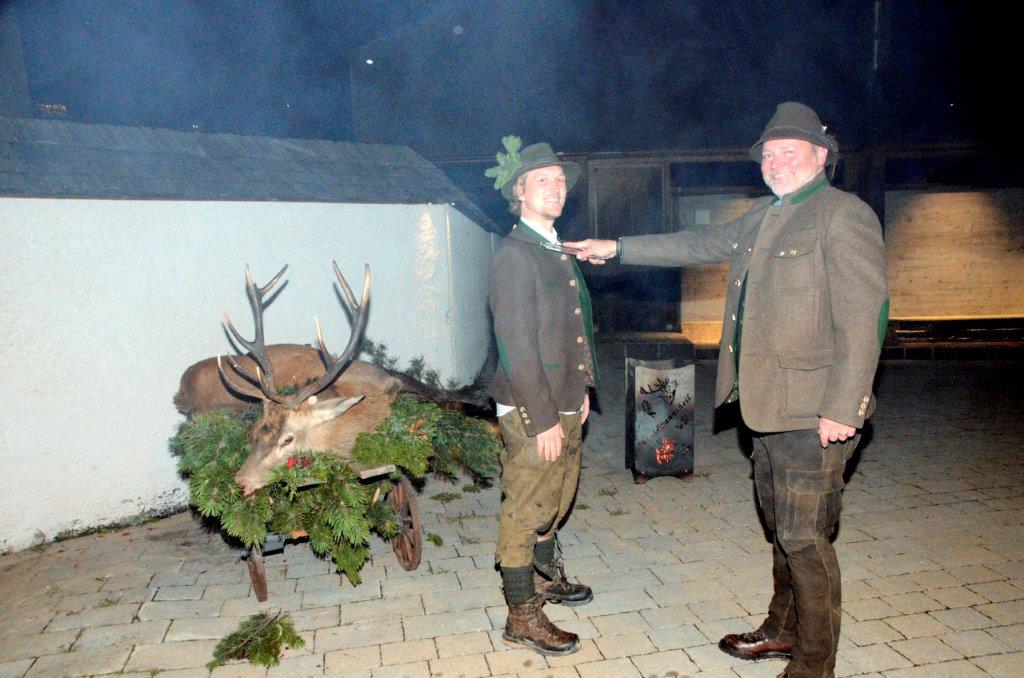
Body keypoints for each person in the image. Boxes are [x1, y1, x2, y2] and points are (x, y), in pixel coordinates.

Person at [567, 102, 888, 678]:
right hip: (765, 405)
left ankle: (816, 664)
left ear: (821, 156)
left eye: (788, 151)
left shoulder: (844, 216)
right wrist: (616, 248)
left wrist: (845, 407)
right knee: (782, 530)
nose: (775, 162)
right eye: (768, 154)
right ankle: (783, 629)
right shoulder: (765, 215)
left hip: (814, 412)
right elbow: (698, 244)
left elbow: (866, 318)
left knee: (804, 539)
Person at [485, 137, 599, 656]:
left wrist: (582, 388)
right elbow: (517, 346)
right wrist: (543, 417)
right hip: (535, 404)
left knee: (557, 495)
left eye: (560, 180)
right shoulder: (514, 256)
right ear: (519, 192)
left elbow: (575, 329)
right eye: (542, 181)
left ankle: (545, 577)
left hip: (564, 396)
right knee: (526, 506)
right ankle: (521, 615)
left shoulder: (554, 249)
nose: (556, 188)